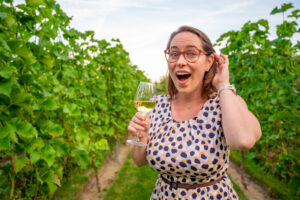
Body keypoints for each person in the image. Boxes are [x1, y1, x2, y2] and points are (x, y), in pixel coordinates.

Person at [127, 25, 261, 200]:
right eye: (174, 54)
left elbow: (243, 140)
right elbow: (139, 161)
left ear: (209, 61)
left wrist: (222, 84)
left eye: (191, 53)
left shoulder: (224, 103)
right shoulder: (156, 105)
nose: (180, 61)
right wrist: (141, 137)